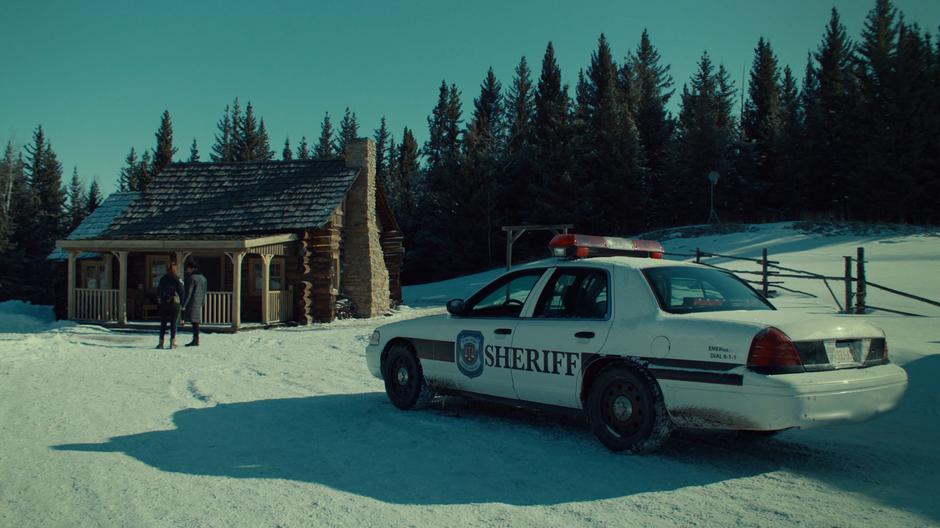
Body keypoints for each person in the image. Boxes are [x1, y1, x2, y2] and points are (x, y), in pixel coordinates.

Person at [157, 261, 184, 349]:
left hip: (164, 303)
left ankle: (161, 342)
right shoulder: (177, 279)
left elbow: (159, 290)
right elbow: (181, 292)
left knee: (163, 323)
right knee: (173, 323)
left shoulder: (163, 279)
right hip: (174, 303)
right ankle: (172, 342)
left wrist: (160, 299)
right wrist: (182, 303)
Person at [182, 260, 208, 347]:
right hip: (199, 301)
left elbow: (189, 292)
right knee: (195, 322)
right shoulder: (203, 278)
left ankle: (195, 340)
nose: (187, 270)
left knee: (194, 322)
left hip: (192, 302)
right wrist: (203, 301)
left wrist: (184, 304)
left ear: (192, 268)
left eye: (188, 269)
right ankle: (196, 339)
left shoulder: (192, 278)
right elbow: (205, 291)